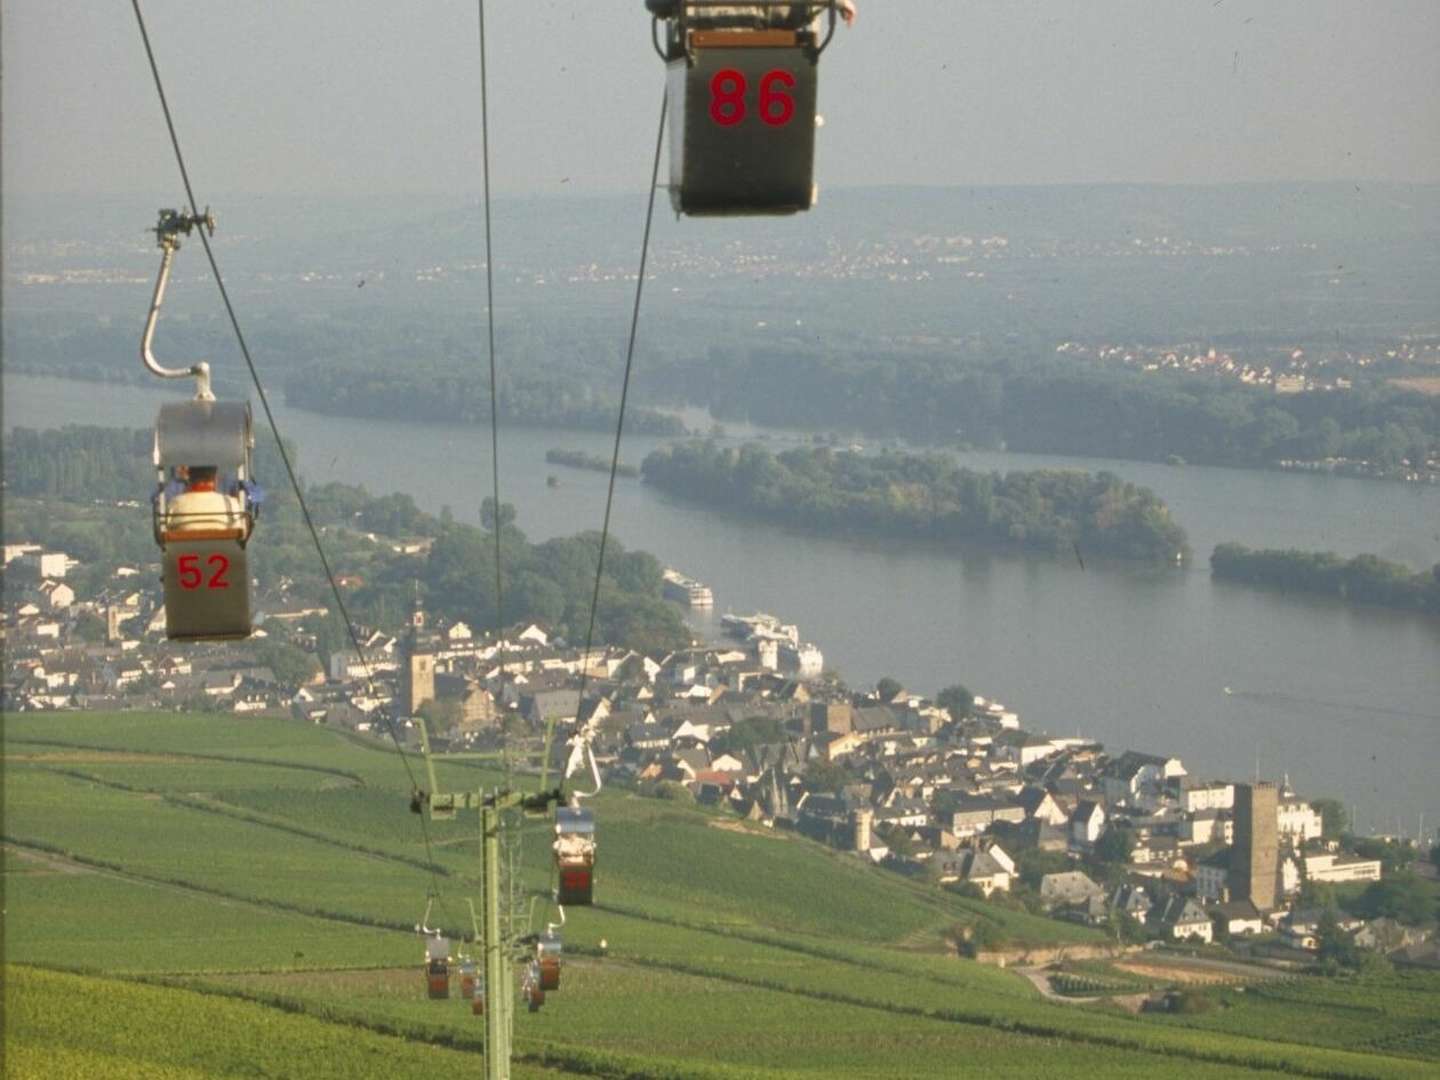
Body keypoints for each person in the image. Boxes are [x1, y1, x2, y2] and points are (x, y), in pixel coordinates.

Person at [166, 465, 245, 532]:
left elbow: (166, 529)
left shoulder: (175, 503)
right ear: (215, 479)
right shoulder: (230, 503)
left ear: (189, 479)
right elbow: (239, 531)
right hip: (223, 548)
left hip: (183, 548)